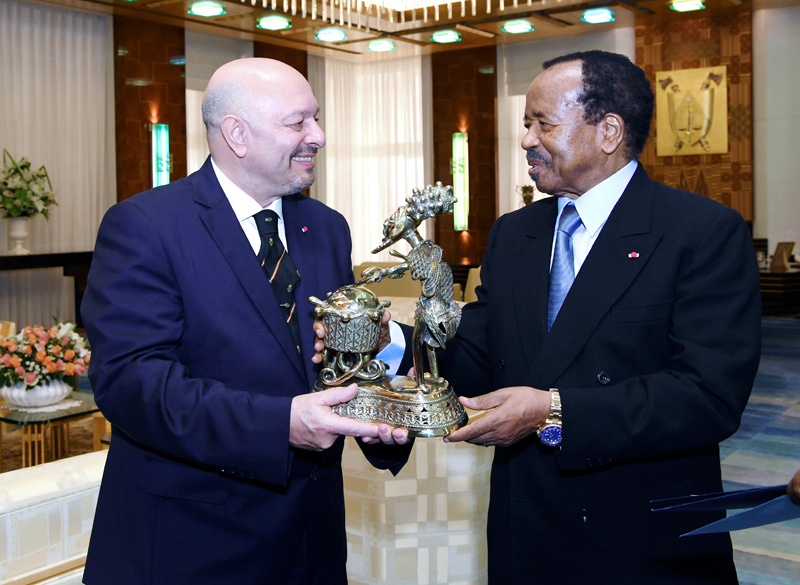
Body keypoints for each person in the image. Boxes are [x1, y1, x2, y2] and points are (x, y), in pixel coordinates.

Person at [437, 51, 762, 583]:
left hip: (641, 538)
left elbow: (708, 397)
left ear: (608, 131)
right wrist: (389, 341)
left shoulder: (701, 232)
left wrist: (554, 411)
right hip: (529, 528)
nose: (526, 141)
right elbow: (478, 355)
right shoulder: (514, 235)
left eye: (543, 123)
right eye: (526, 124)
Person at [81, 58, 409, 585]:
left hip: (311, 544)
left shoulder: (325, 228)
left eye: (316, 118)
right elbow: (132, 383)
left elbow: (337, 361)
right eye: (297, 122)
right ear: (236, 134)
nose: (318, 136)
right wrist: (281, 425)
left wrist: (382, 392)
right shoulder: (145, 226)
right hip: (190, 544)